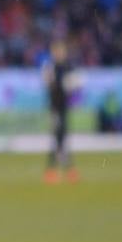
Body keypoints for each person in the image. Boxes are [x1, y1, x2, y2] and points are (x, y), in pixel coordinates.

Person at [41, 39, 79, 183]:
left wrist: (71, 85)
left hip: (64, 107)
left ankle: (57, 169)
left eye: (61, 51)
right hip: (55, 107)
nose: (59, 53)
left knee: (61, 137)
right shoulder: (50, 67)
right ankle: (62, 169)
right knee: (58, 137)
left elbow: (75, 85)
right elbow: (47, 84)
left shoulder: (68, 67)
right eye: (56, 51)